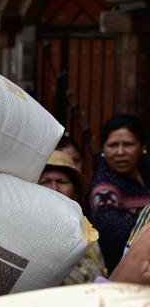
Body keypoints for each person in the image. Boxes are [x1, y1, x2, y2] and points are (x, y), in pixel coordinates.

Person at [88, 114, 150, 273]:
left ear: (142, 146)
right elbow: (111, 228)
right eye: (113, 145)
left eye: (128, 144)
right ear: (103, 149)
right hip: (123, 270)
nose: (120, 152)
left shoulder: (146, 172)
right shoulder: (103, 185)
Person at [38, 151, 107, 284]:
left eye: (62, 182)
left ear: (75, 193)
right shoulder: (26, 229)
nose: (54, 188)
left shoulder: (87, 231)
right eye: (44, 181)